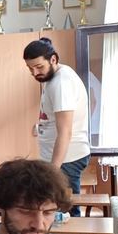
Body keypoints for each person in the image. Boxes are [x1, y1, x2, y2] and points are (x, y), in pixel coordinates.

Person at [24, 38, 91, 216]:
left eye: (39, 67)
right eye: (30, 69)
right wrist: (41, 126)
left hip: (66, 159)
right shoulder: (54, 76)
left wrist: (53, 171)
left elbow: (65, 132)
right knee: (60, 211)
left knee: (65, 213)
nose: (35, 73)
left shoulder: (61, 83)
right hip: (62, 158)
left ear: (53, 59)